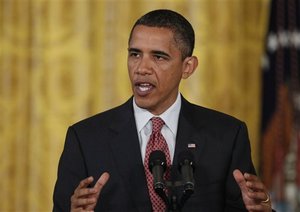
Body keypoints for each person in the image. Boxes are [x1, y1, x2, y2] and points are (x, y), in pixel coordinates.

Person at [53, 9, 273, 212]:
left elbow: (249, 207)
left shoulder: (226, 136)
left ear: (188, 67)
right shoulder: (85, 139)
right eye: (135, 54)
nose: (141, 68)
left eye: (158, 57)